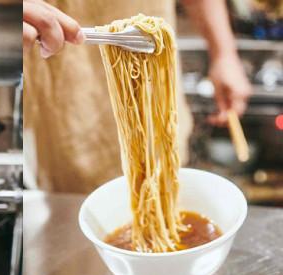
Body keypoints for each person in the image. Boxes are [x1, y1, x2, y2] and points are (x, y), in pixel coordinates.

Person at [23, 0, 252, 193]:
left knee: (162, 173)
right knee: (78, 188)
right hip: (68, 87)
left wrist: (224, 54)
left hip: (155, 78)